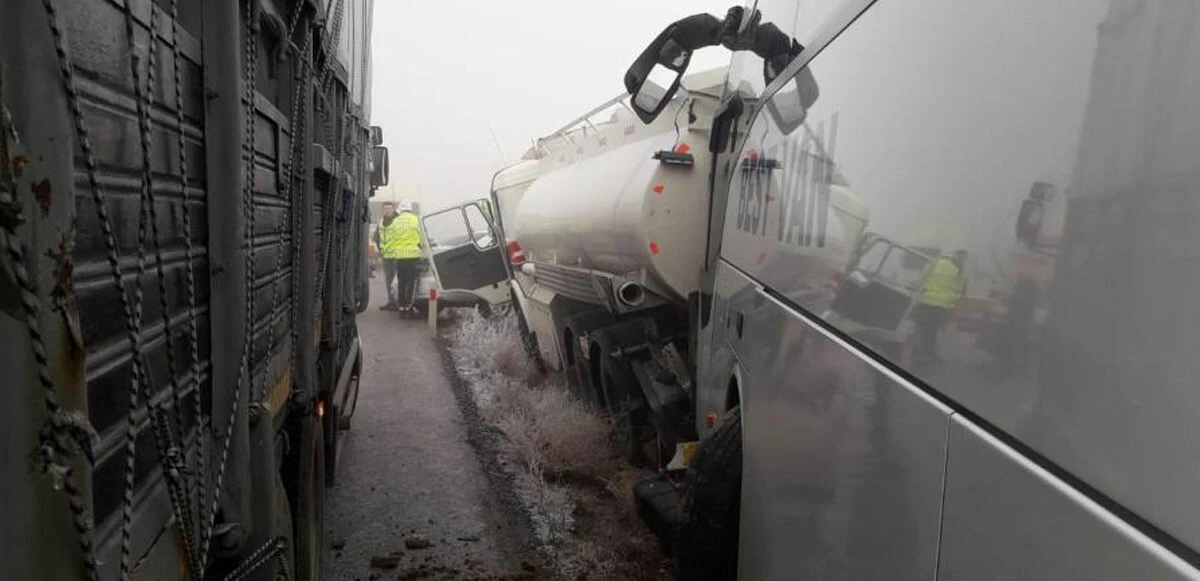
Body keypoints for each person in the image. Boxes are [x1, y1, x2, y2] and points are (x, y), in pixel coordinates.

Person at [911, 249, 968, 362]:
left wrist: (955, 302)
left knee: (929, 329)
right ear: (954, 256)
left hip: (937, 304)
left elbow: (961, 290)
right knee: (928, 329)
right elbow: (923, 276)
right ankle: (923, 352)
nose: (961, 260)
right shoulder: (944, 265)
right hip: (933, 303)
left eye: (963, 259)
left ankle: (923, 352)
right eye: (960, 257)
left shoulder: (958, 270)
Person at [373, 200, 424, 311]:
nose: (387, 211)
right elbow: (377, 237)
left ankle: (400, 303)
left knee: (400, 281)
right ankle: (392, 301)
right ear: (383, 210)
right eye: (385, 209)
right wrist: (381, 252)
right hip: (388, 256)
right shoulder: (381, 222)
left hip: (397, 255)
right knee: (390, 280)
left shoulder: (396, 221)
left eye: (390, 209)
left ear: (394, 209)